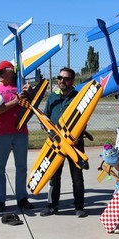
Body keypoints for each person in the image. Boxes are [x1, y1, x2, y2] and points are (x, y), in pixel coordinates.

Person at [40, 67, 88, 218]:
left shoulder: (78, 98)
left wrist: (77, 136)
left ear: (72, 81)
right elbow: (46, 116)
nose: (62, 81)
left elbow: (83, 119)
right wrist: (45, 126)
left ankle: (79, 207)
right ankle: (52, 206)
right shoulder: (52, 97)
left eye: (66, 79)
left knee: (77, 177)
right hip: (55, 144)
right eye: (60, 78)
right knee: (53, 175)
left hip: (74, 144)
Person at [0, 60, 34, 212]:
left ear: (10, 71)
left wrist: (30, 92)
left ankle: (22, 198)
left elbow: (32, 106)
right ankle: (0, 200)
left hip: (20, 132)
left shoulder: (21, 87)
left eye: (1, 72)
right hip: (2, 133)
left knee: (21, 167)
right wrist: (16, 100)